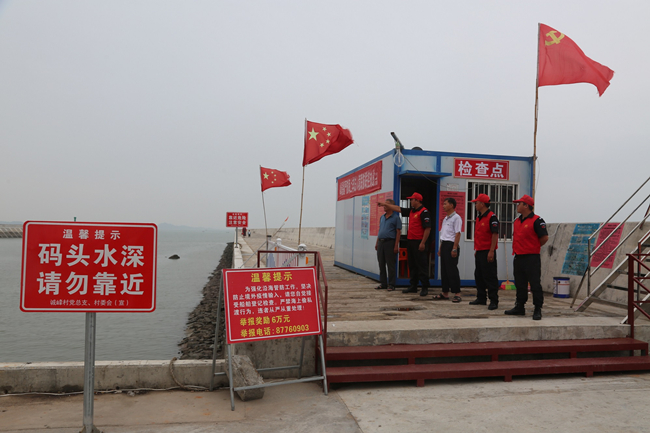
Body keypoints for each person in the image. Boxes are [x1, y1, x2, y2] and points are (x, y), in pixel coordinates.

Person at [505, 194, 549, 321]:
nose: (517, 206)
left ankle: (537, 308)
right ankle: (520, 306)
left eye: (519, 203)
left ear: (526, 206)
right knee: (520, 284)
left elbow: (544, 238)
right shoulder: (517, 221)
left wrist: (532, 247)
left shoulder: (537, 220)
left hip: (531, 258)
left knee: (535, 284)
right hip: (518, 257)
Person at [378, 193, 431, 296]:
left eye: (412, 200)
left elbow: (427, 228)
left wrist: (423, 242)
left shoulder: (424, 212)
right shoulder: (411, 211)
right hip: (410, 241)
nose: (410, 201)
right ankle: (413, 286)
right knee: (412, 265)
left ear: (417, 200)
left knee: (421, 265)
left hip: (419, 242)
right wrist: (385, 204)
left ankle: (425, 287)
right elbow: (398, 209)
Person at [468, 193, 499, 310]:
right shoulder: (479, 217)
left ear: (482, 204)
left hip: (488, 250)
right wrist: (477, 249)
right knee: (479, 275)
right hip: (480, 250)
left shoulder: (492, 217)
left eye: (476, 203)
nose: (475, 205)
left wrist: (491, 251)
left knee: (490, 276)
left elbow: (494, 234)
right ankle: (481, 298)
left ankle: (494, 300)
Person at [434, 197, 463, 302]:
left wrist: (454, 248)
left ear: (451, 205)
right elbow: (444, 235)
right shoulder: (445, 218)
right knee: (444, 270)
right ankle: (445, 292)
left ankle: (457, 293)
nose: (443, 206)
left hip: (451, 245)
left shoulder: (456, 218)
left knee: (452, 270)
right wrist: (440, 248)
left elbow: (458, 233)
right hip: (444, 245)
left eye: (445, 204)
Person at [374, 199, 402, 291]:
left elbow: (398, 232)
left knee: (390, 264)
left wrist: (396, 245)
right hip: (381, 243)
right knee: (381, 263)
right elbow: (380, 231)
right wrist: (377, 242)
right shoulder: (382, 217)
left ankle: (392, 284)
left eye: (387, 204)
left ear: (391, 206)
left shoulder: (396, 218)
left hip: (390, 243)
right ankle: (383, 283)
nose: (384, 205)